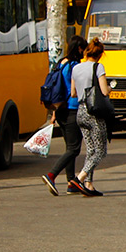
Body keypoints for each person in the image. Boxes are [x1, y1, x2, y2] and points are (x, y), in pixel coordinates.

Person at [40, 35, 87, 196]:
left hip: (60, 110)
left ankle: (71, 182)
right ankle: (51, 175)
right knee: (74, 149)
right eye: (84, 49)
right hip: (72, 109)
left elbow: (58, 89)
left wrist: (53, 113)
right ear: (79, 48)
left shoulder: (62, 63)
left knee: (69, 148)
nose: (84, 52)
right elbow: (75, 90)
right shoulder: (75, 66)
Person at [69, 38, 109, 196]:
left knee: (91, 150)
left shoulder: (76, 68)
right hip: (94, 113)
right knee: (100, 151)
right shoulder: (98, 67)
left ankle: (89, 185)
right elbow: (104, 91)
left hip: (80, 112)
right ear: (100, 54)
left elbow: (73, 93)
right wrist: (110, 88)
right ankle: (79, 179)